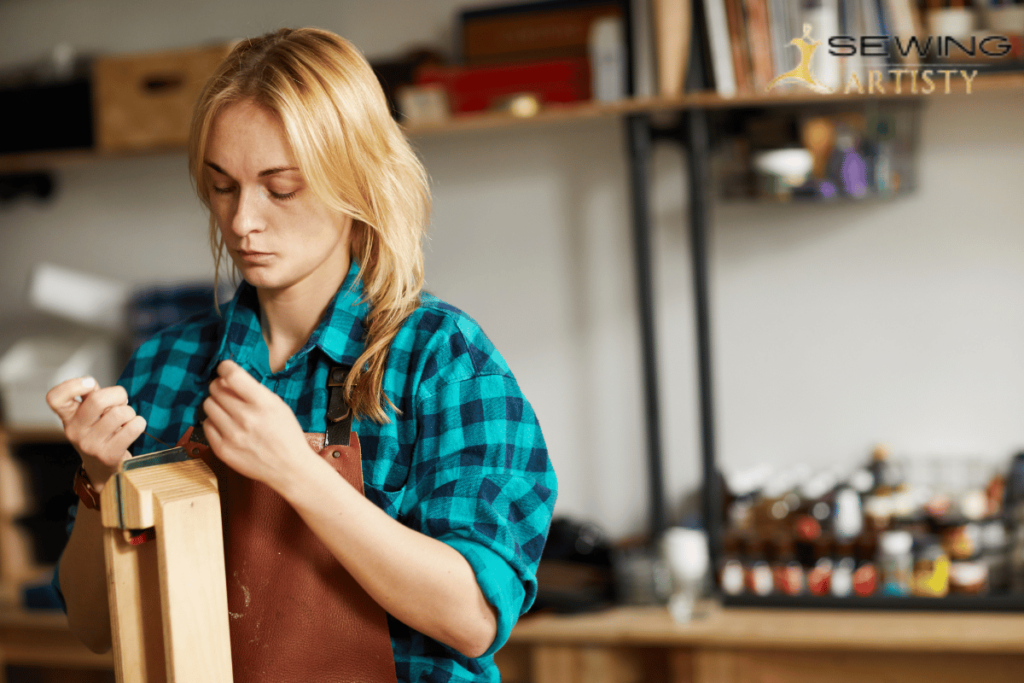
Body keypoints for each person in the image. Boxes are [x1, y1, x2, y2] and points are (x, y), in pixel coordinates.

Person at [46, 27, 557, 683]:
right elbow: (92, 627)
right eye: (223, 186)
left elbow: (473, 618)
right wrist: (100, 482)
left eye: (279, 188)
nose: (241, 222)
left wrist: (297, 471)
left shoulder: (440, 360)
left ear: (357, 181)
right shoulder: (165, 366)